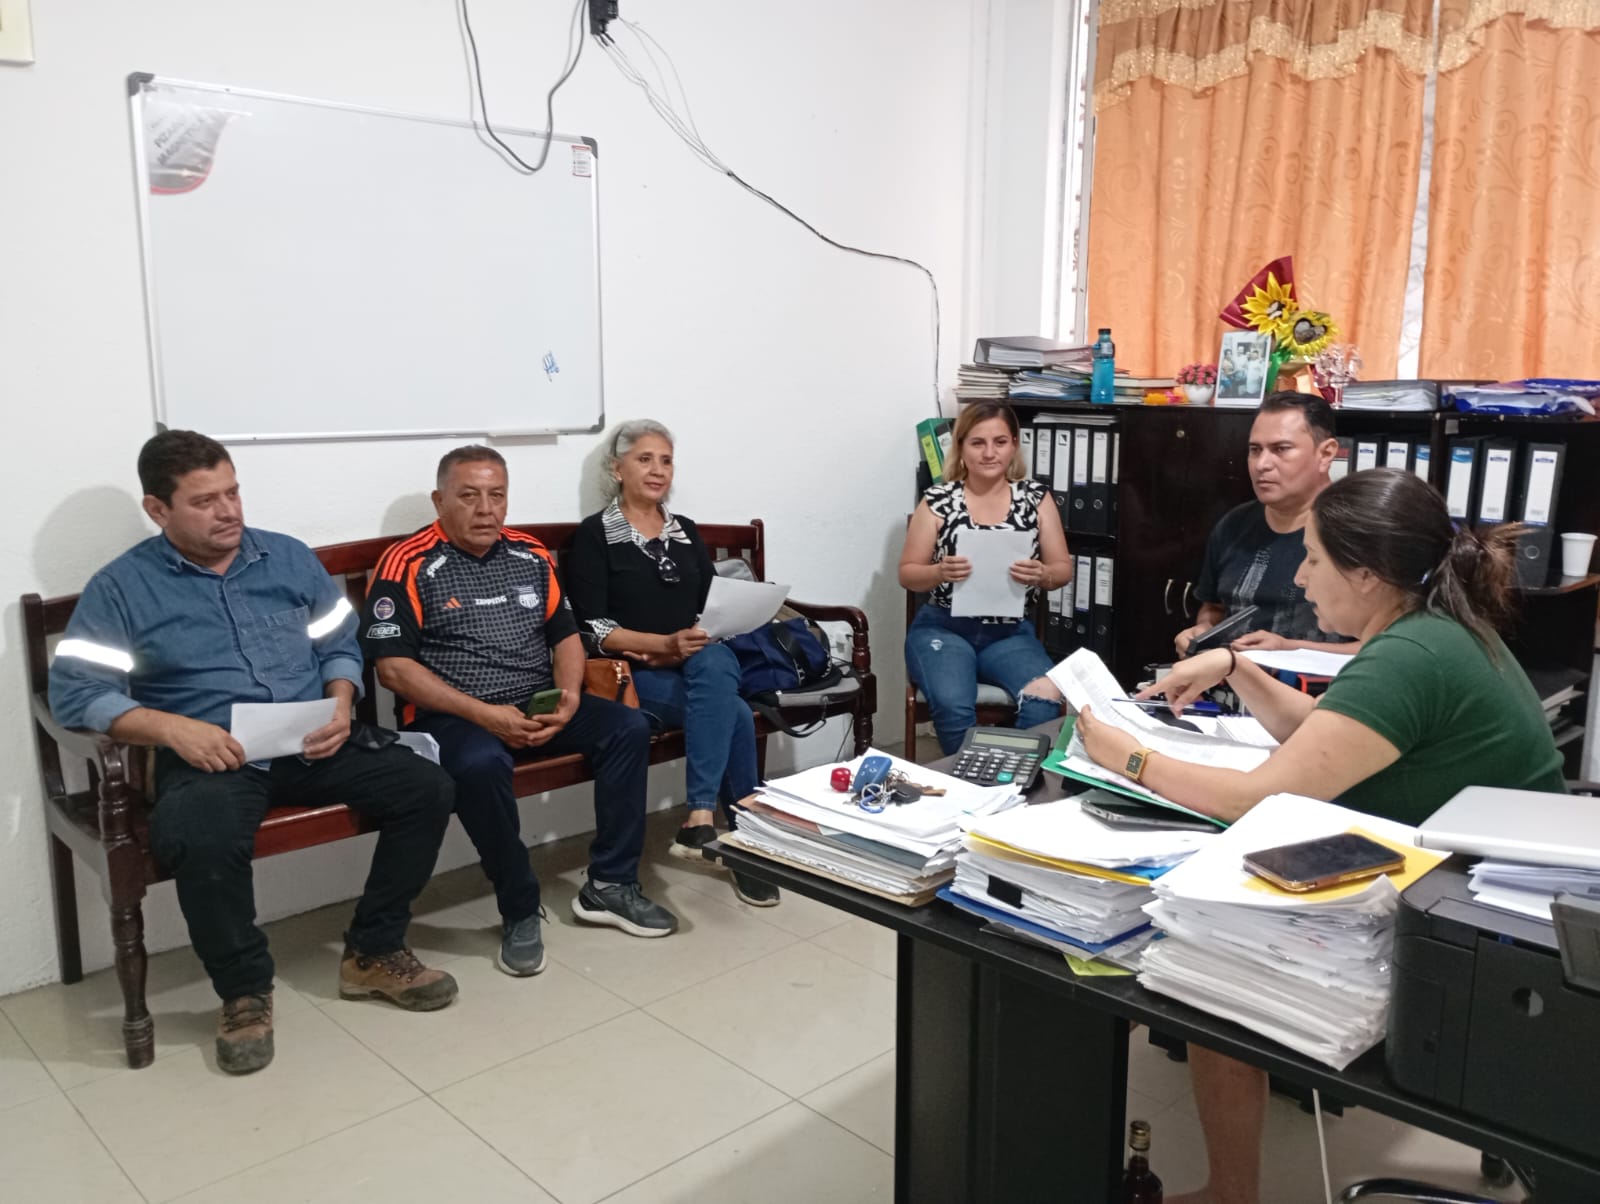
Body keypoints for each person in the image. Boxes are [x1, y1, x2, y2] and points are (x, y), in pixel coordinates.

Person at [1076, 467, 1564, 1204]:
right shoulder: (1434, 627)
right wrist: (1235, 665)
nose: (1301, 578)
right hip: (1503, 907)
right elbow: (1329, 734)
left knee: (1207, 965)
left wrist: (1131, 758)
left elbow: (1254, 797)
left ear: (1365, 574)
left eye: (1312, 558)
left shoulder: (1408, 656)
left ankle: (1230, 1195)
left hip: (1477, 940)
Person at [48, 431, 459, 1076]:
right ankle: (243, 992)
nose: (228, 511)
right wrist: (172, 730)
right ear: (158, 510)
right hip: (211, 755)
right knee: (199, 835)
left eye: (233, 492)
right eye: (204, 501)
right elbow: (76, 694)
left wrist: (342, 701)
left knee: (428, 787)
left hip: (308, 738)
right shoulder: (123, 587)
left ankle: (373, 952)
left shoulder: (286, 558)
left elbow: (338, 644)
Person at [360, 445, 677, 980]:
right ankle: (519, 905)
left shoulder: (529, 554)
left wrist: (569, 697)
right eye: (469, 496)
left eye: (497, 495)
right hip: (453, 716)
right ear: (440, 501)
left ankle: (611, 884)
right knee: (480, 766)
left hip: (536, 701)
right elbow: (393, 669)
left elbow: (565, 637)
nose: (486, 509)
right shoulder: (406, 562)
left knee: (626, 726)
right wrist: (486, 715)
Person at [564, 420, 780, 907]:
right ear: (617, 469)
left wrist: (725, 620)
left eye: (665, 460)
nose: (657, 470)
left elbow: (709, 606)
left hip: (696, 666)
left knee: (716, 662)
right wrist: (663, 645)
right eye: (644, 459)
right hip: (632, 676)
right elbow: (592, 628)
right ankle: (739, 841)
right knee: (735, 713)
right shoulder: (596, 535)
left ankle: (702, 821)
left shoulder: (685, 532)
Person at [899, 400, 1071, 756]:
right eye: (978, 443)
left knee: (1046, 696)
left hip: (1009, 631)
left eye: (1000, 442)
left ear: (1014, 445)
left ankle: (1013, 777)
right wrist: (938, 571)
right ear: (961, 447)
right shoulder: (937, 500)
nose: (989, 453)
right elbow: (908, 573)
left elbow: (1062, 570)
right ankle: (968, 782)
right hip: (943, 627)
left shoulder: (1036, 498)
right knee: (952, 704)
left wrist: (1043, 574)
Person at [1176, 391, 1355, 658]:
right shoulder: (1233, 525)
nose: (1262, 464)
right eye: (1255, 450)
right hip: (1231, 676)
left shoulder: (1359, 530)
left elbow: (1391, 648)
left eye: (1281, 449)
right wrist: (1203, 631)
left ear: (1326, 453)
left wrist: (1289, 648)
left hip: (1323, 683)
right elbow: (1214, 607)